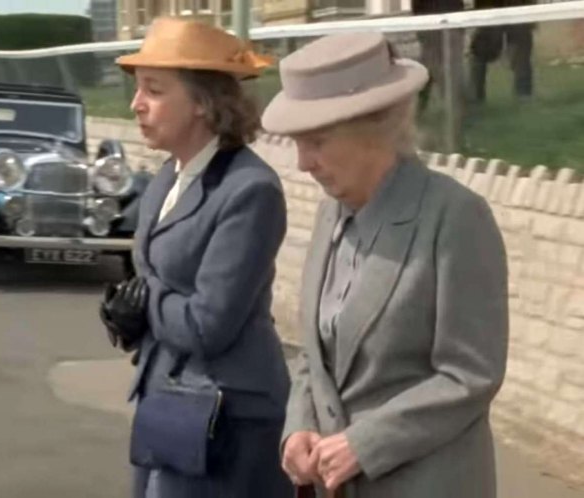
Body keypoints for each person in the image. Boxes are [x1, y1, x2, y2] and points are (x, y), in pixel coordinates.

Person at [262, 32, 509, 498]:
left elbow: (470, 374)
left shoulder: (455, 217)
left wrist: (366, 443)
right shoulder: (329, 214)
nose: (302, 163)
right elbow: (316, 359)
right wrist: (297, 429)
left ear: (375, 126)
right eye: (296, 142)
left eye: (316, 141)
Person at [103, 17, 293, 498]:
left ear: (204, 103)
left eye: (155, 90)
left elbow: (209, 324)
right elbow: (159, 285)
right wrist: (127, 318)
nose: (136, 104)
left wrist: (147, 302)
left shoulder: (250, 190)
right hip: (170, 403)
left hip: (227, 417)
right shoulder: (167, 177)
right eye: (138, 88)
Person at [469, 0, 535, 102]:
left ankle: (524, 96)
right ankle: (475, 97)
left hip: (518, 7)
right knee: (481, 49)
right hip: (490, 7)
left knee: (521, 50)